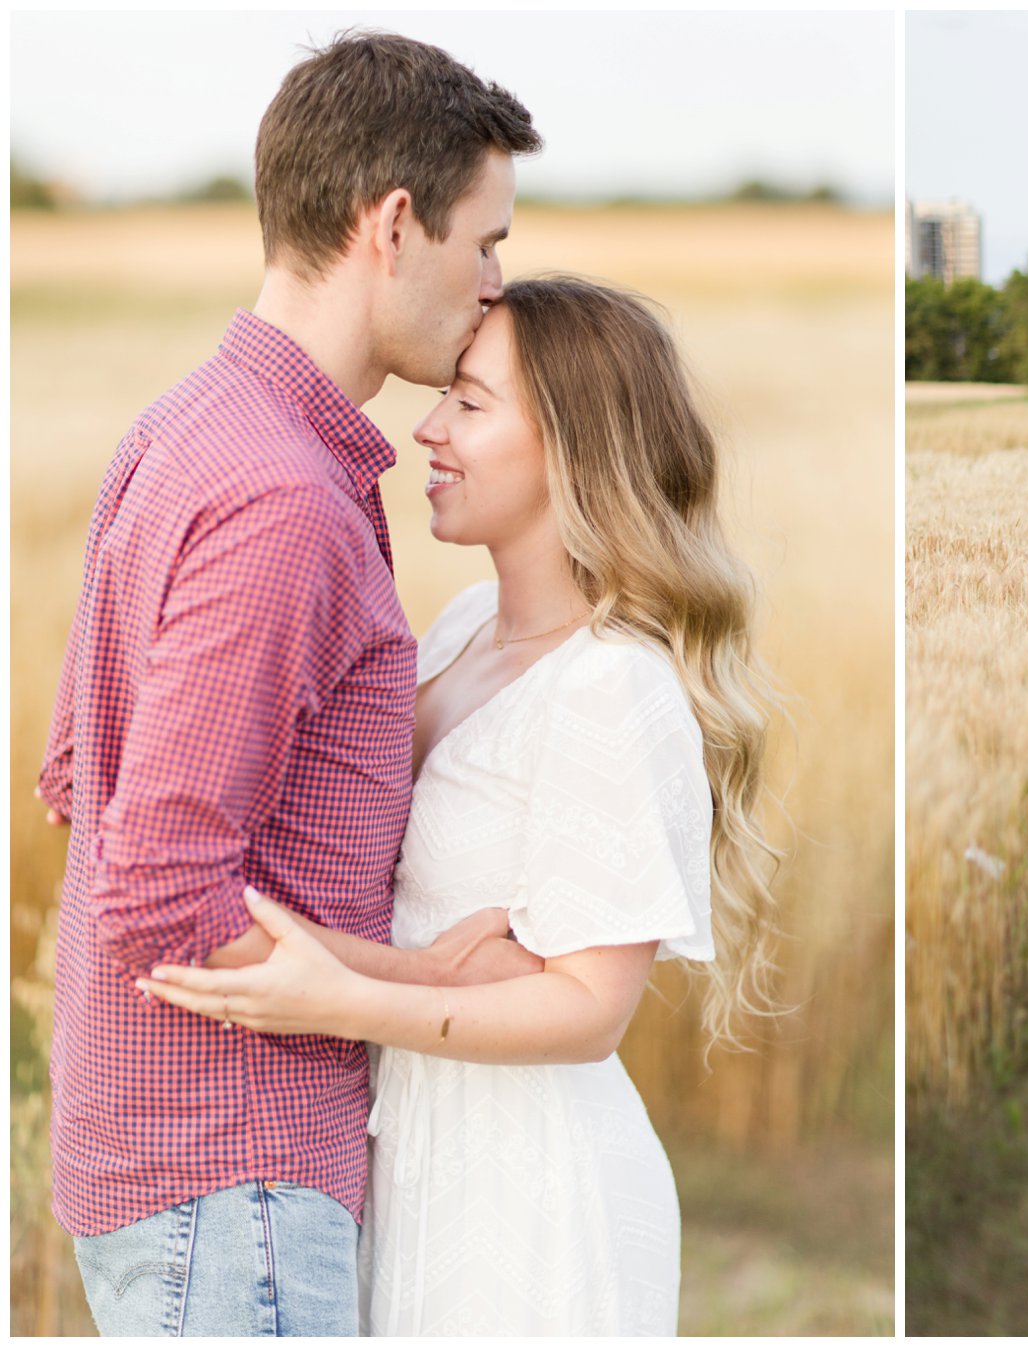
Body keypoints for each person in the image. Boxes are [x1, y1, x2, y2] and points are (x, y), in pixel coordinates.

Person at [139, 276, 782, 1336]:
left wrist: (341, 1001)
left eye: (471, 406)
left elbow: (589, 1012)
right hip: (421, 1144)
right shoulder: (465, 626)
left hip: (529, 1186)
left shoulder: (610, 684)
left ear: (575, 446)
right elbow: (429, 934)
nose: (427, 429)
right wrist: (419, 973)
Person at [37, 32, 542, 1337]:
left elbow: (75, 774)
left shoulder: (185, 426)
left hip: (171, 1163)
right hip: (234, 1166)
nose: (495, 286)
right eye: (484, 242)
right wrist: (422, 976)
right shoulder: (282, 498)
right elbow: (157, 886)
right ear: (392, 223)